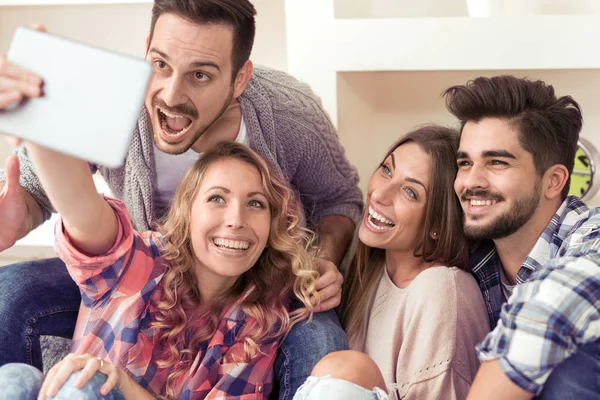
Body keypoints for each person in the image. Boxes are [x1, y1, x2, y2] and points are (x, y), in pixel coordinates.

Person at [0, 0, 362, 397]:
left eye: (201, 75)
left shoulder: (289, 114)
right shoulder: (134, 260)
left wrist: (321, 261)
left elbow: (338, 200)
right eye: (161, 64)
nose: (171, 95)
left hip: (264, 282)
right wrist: (38, 119)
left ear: (240, 78)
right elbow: (66, 195)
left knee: (318, 334)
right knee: (12, 306)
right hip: (153, 275)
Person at [0, 140, 320, 400]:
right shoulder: (140, 263)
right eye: (217, 199)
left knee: (88, 384)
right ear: (188, 212)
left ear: (271, 225)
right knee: (17, 380)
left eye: (255, 204)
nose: (236, 220)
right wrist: (39, 126)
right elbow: (80, 206)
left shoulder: (259, 320)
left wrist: (123, 385)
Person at [291, 126, 491, 400]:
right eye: (387, 169)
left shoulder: (441, 289)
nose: (380, 194)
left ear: (437, 224)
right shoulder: (368, 271)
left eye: (410, 192)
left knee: (346, 369)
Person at [442, 75, 600, 399]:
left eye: (497, 162)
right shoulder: (472, 255)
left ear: (553, 181)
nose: (471, 181)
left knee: (574, 371)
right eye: (465, 163)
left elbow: (554, 305)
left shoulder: (591, 234)